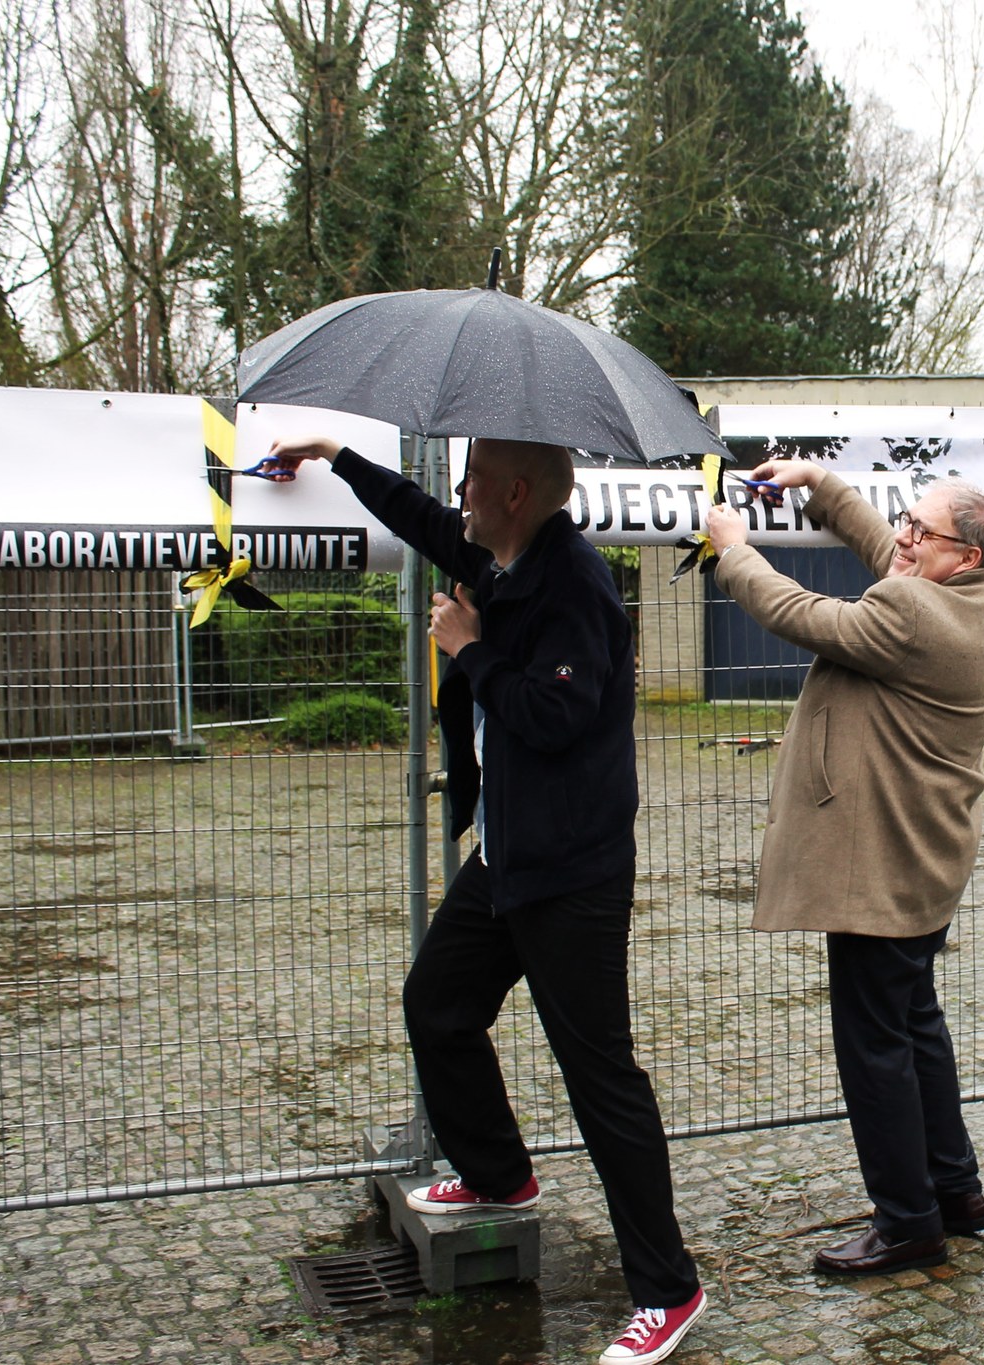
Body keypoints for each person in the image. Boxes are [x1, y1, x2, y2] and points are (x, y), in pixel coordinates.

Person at [267, 435, 705, 1365]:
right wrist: (337, 455)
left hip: (573, 872)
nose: (457, 494)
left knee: (601, 1078)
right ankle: (500, 1175)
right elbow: (421, 519)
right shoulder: (498, 557)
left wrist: (469, 648)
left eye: (470, 480)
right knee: (438, 1001)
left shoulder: (574, 584)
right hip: (509, 857)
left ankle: (670, 1291)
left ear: (513, 492)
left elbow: (554, 715)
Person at [704, 461, 984, 1273]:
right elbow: (892, 555)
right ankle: (956, 1191)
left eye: (922, 530)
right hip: (926, 857)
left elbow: (800, 612)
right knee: (914, 1024)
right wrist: (820, 482)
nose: (904, 538)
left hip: (880, 864)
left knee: (875, 1046)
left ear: (966, 555)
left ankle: (908, 1222)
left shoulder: (912, 614)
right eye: (907, 520)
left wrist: (733, 550)